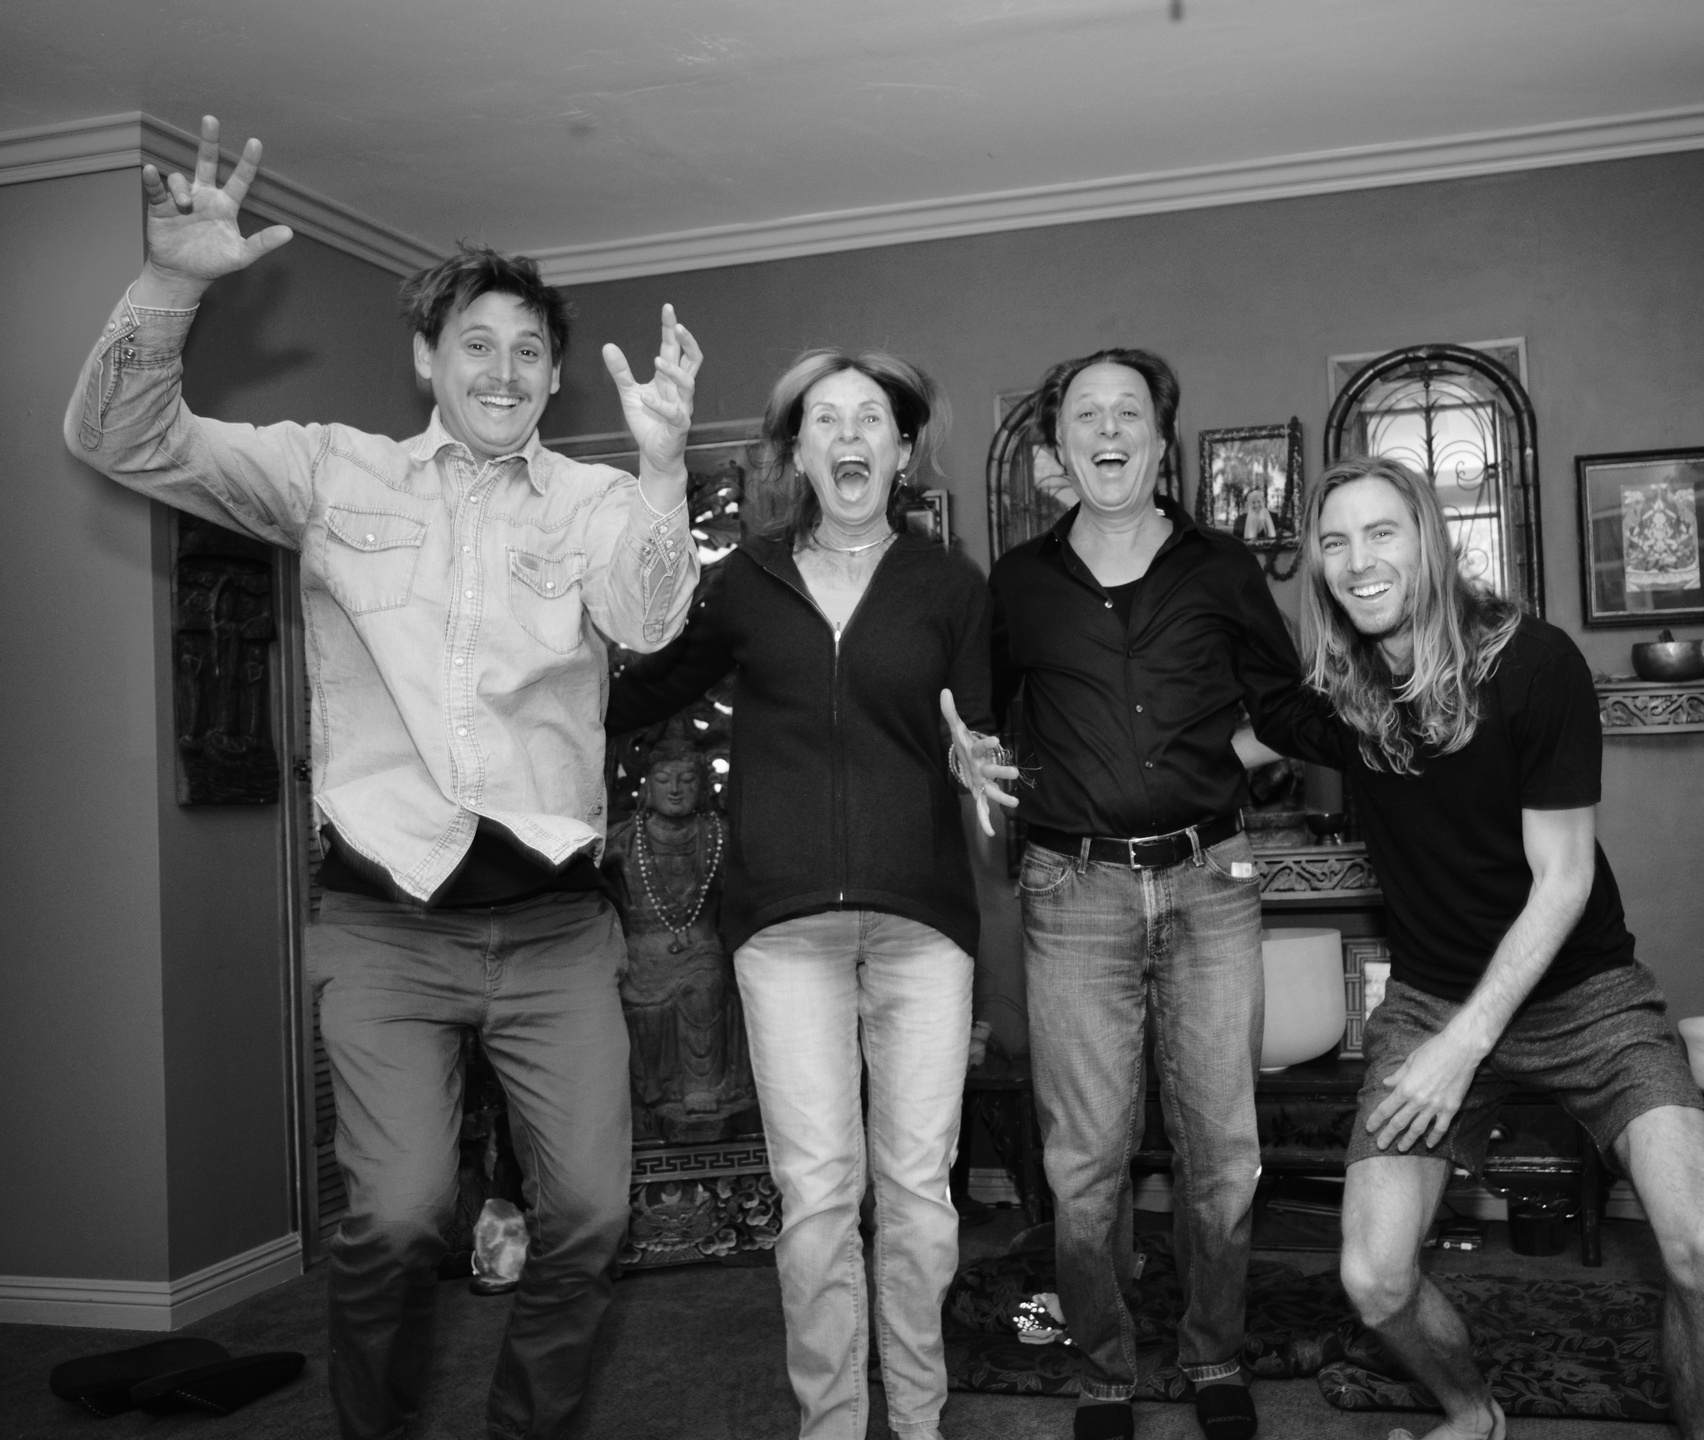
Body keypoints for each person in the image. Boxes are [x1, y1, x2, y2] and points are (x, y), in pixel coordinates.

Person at [61, 118, 704, 1440]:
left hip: (556, 931)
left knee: (592, 1215)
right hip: (384, 925)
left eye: (528, 350)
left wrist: (659, 466)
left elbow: (648, 618)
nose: (503, 369)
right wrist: (173, 280)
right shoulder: (327, 472)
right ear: (426, 358)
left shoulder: (590, 503)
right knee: (398, 1217)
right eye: (476, 343)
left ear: (555, 375)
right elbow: (120, 438)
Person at [1248, 454, 1704, 1440]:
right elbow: (1238, 730)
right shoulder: (1349, 697)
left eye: (1381, 533)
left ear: (1429, 541)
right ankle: (1473, 1414)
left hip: (1587, 995)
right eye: (1335, 543)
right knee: (1374, 1277)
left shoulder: (1535, 664)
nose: (1358, 561)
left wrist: (1461, 1048)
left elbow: (1563, 882)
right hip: (1432, 997)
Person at [607, 348, 1012, 1440]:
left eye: (870, 418)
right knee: (821, 1194)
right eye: (824, 420)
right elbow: (647, 684)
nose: (849, 436)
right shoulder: (747, 580)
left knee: (919, 1194)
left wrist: (975, 761)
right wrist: (534, 673)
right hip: (784, 933)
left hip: (923, 927)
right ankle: (831, 1424)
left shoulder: (950, 586)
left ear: (902, 450)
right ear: (799, 453)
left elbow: (977, 734)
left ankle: (917, 1421)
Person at [988, 349, 1309, 1440]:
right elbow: (983, 718)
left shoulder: (1222, 569)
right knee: (1085, 1163)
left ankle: (1214, 1353)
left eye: (1129, 412)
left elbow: (1283, 704)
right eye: (1088, 414)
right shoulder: (1018, 585)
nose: (1110, 429)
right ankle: (1104, 1371)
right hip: (1072, 888)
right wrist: (970, 756)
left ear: (1161, 441)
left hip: (1211, 880)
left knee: (1224, 1151)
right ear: (1059, 449)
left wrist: (1232, 755)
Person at [600, 736, 754, 1143]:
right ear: (647, 787)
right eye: (664, 779)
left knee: (705, 987)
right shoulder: (624, 839)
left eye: (687, 780)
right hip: (641, 950)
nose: (674, 789)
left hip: (700, 947)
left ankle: (702, 1087)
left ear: (702, 788)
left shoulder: (717, 836)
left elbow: (741, 899)